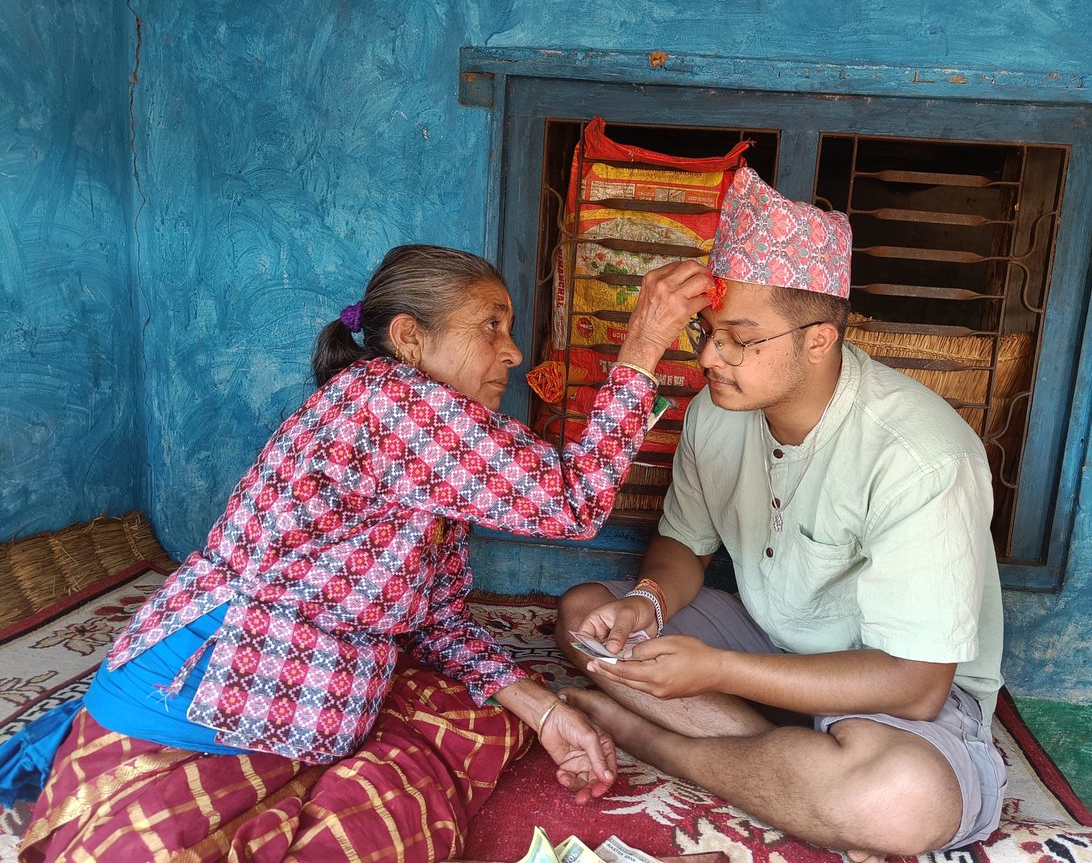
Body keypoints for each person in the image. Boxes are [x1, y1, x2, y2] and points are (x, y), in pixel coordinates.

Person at [11, 244, 714, 862]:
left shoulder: (427, 431)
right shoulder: (390, 401)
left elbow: (436, 620)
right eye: (491, 326)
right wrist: (644, 344)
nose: (513, 351)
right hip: (202, 686)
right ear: (410, 338)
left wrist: (546, 712)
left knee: (475, 721)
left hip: (305, 676)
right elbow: (573, 504)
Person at [556, 167, 1006, 861]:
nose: (710, 356)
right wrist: (646, 601)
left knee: (900, 800)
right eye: (707, 332)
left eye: (740, 337)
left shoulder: (919, 455)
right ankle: (788, 764)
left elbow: (917, 685)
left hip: (889, 691)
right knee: (587, 617)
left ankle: (658, 741)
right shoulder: (717, 412)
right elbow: (682, 545)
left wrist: (716, 675)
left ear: (818, 339)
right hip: (766, 651)